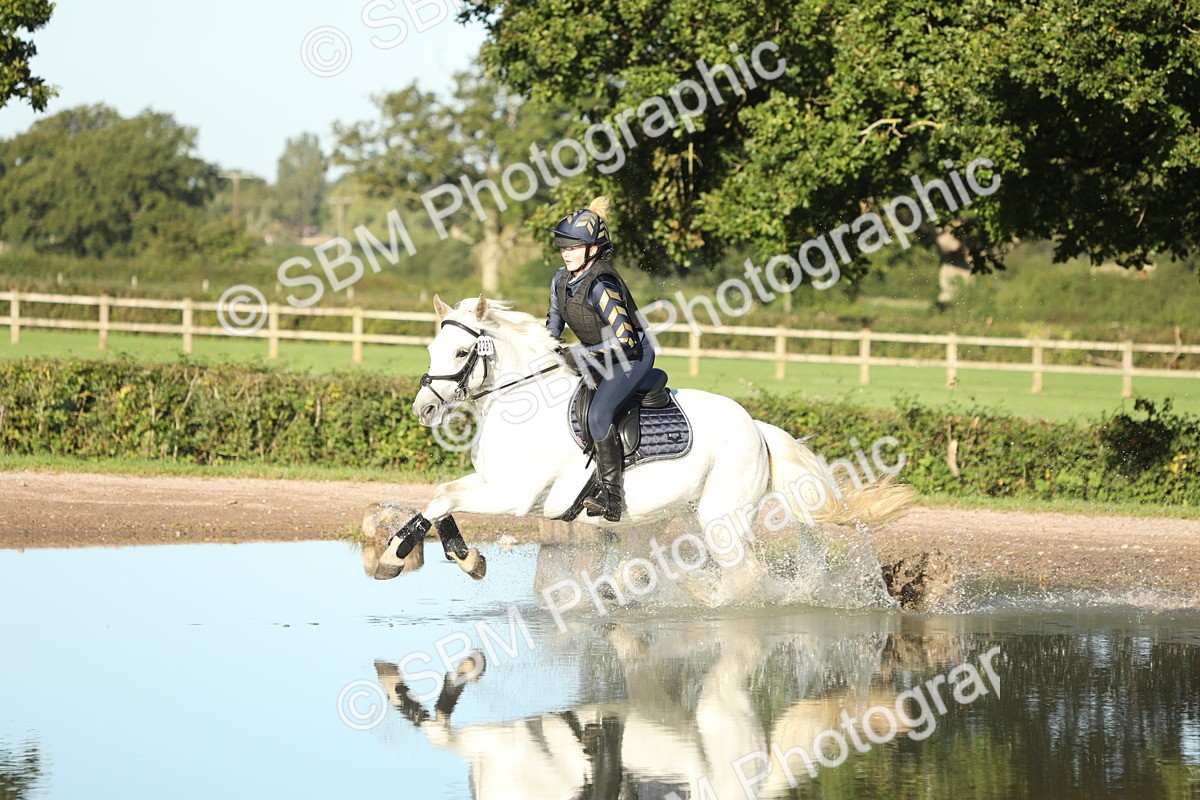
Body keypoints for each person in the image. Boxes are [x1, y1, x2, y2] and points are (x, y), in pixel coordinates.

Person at [546, 196, 655, 523]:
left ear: (593, 249)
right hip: (598, 354)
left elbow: (626, 340)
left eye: (574, 247)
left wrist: (581, 355)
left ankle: (611, 498)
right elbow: (552, 325)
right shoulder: (560, 279)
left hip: (632, 356)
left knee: (598, 414)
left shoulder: (602, 285)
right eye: (563, 247)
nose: (566, 253)